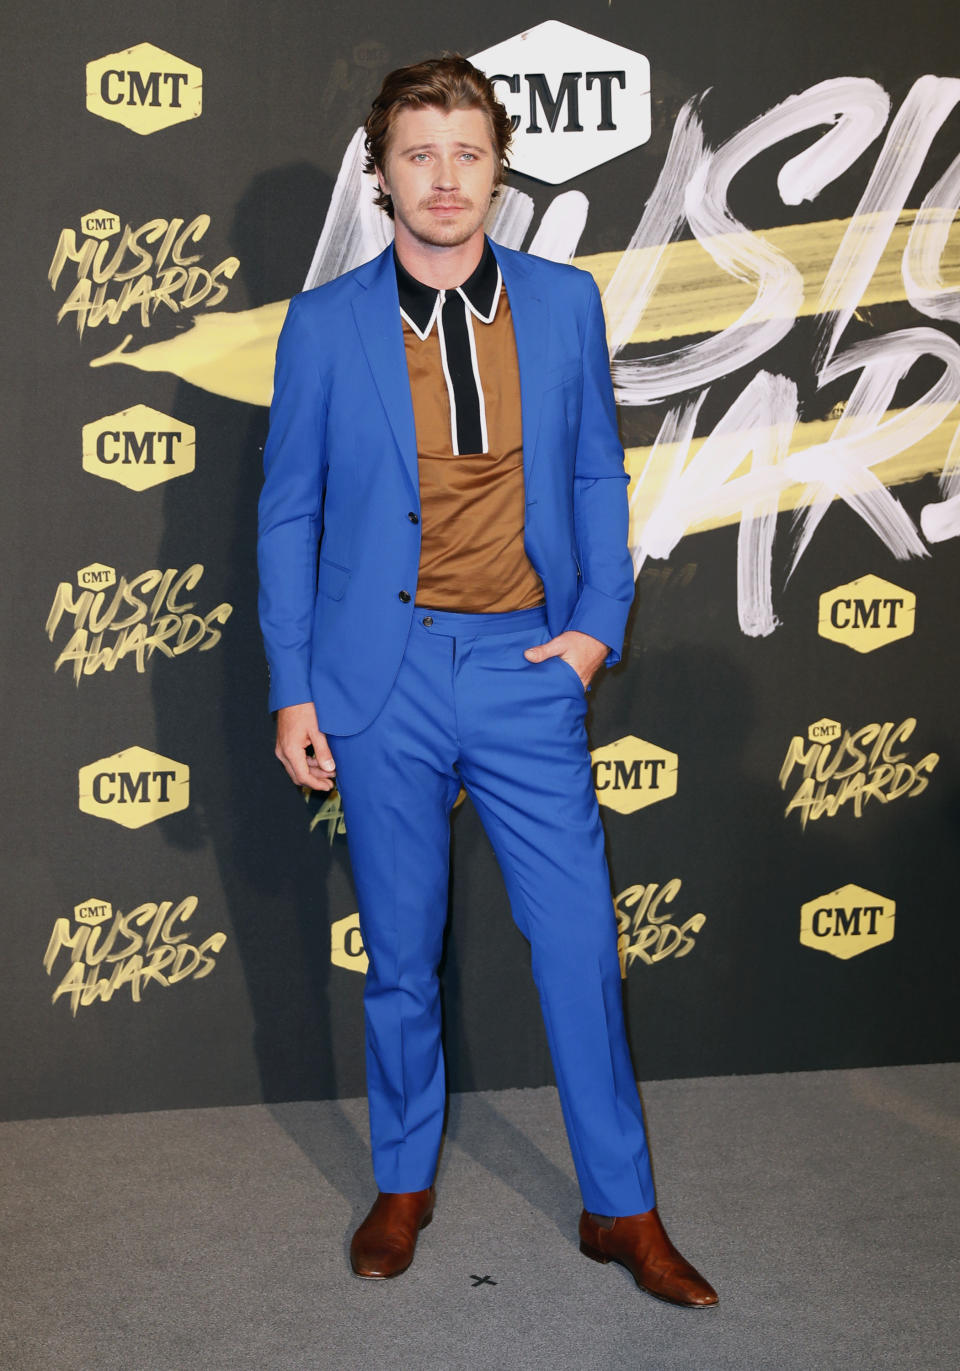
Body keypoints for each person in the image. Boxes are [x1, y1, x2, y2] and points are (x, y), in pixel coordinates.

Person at [257, 55, 717, 1308]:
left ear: (499, 169)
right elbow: (287, 513)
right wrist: (295, 692)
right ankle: (403, 1181)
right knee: (402, 955)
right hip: (380, 679)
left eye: (467, 152)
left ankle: (622, 1211)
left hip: (525, 669)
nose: (445, 178)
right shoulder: (324, 325)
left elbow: (592, 478)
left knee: (576, 944)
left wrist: (593, 632)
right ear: (381, 173)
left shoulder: (566, 304)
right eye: (420, 153)